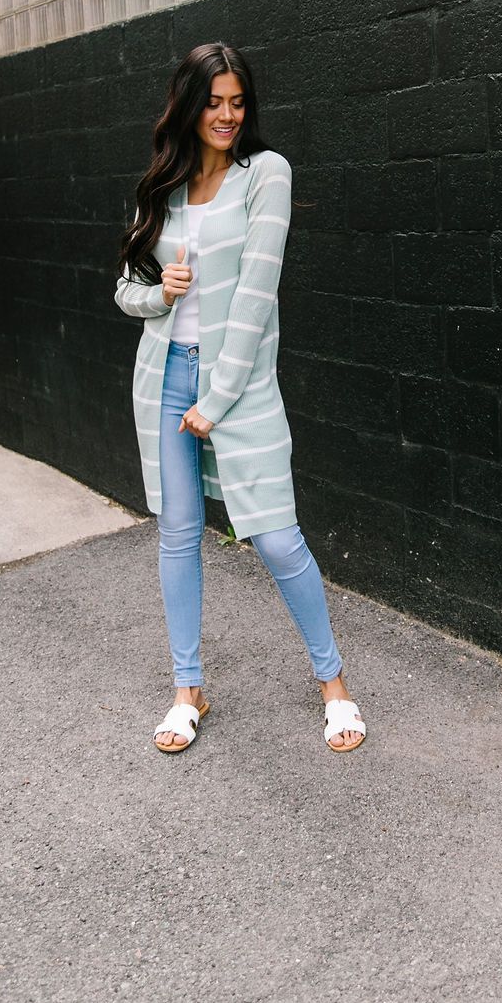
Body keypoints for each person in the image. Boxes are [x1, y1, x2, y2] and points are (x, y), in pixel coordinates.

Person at [115, 42, 366, 755]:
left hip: (239, 386)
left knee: (277, 537)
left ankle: (334, 686)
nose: (227, 115)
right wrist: (157, 293)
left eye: (237, 102)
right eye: (213, 103)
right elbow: (124, 290)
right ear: (189, 107)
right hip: (166, 381)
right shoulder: (159, 189)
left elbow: (258, 297)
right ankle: (187, 690)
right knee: (177, 536)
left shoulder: (266, 175)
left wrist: (217, 402)